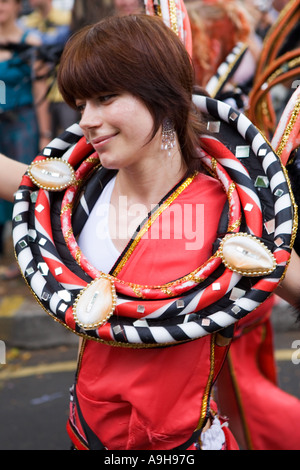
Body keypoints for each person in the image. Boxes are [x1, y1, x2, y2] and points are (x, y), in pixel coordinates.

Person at [0, 0, 50, 275]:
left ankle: (29, 259)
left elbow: (40, 89)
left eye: (6, 1)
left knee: (25, 189)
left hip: (23, 126)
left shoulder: (30, 41)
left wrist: (44, 135)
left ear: (19, 6)